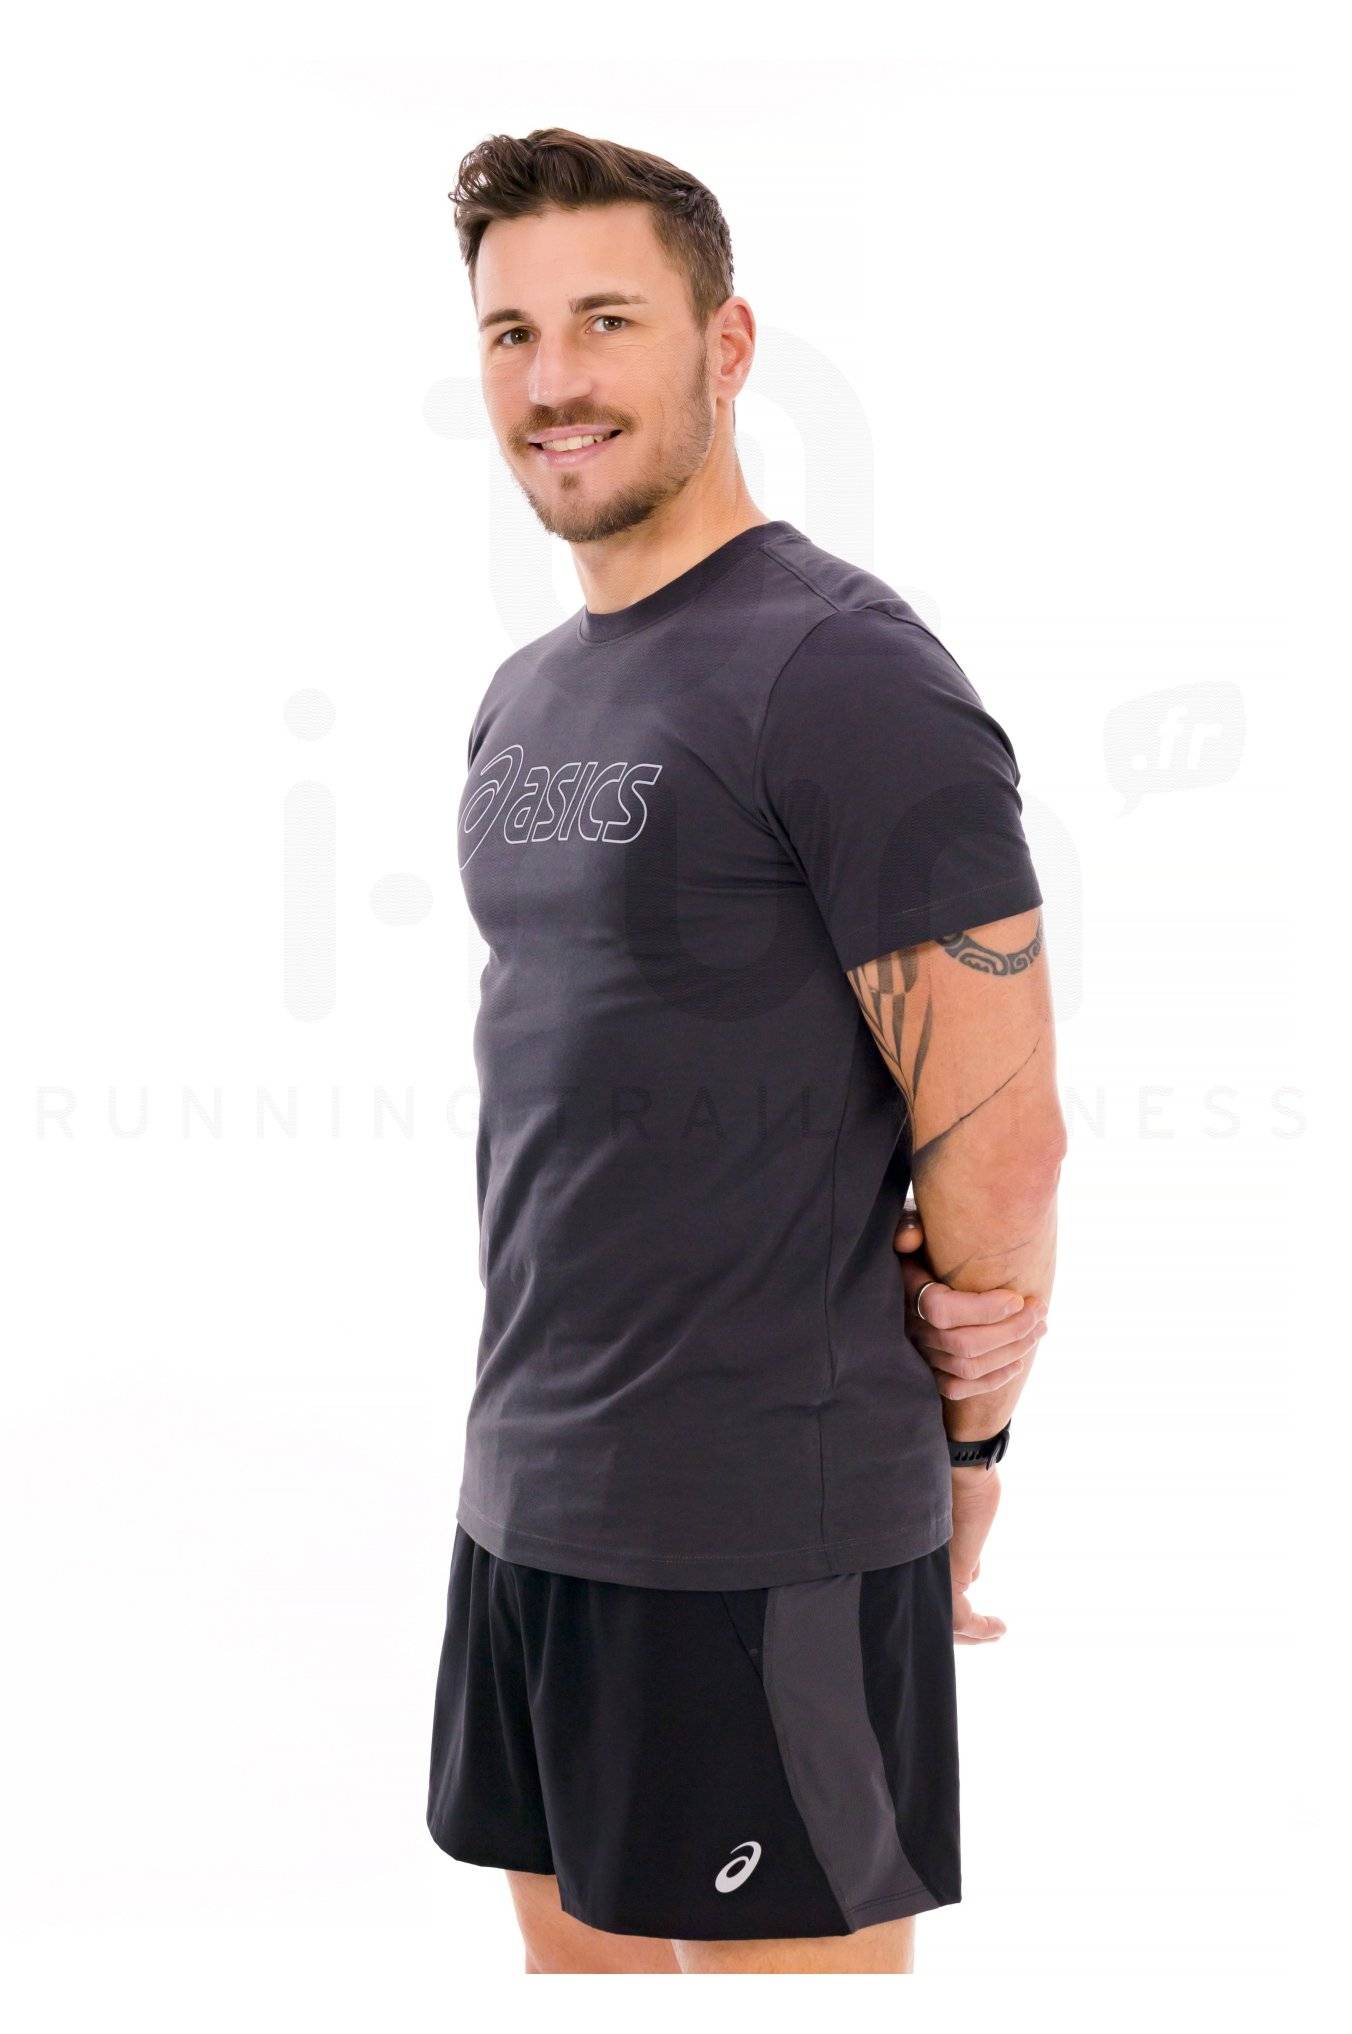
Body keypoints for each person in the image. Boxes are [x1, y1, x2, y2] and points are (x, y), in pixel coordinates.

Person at [426, 127, 1066, 1976]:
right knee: (577, 1980)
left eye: (607, 320)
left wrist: (971, 1446)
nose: (554, 379)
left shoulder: (846, 670)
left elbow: (1000, 1119)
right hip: (529, 1501)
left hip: (767, 1528)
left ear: (727, 344)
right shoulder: (529, 692)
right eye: (513, 332)